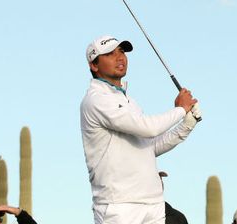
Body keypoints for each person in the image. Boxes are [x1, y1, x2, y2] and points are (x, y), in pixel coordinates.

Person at [81, 35, 202, 224]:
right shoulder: (96, 99)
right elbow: (148, 128)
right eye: (110, 54)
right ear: (94, 65)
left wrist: (187, 124)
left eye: (121, 52)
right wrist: (180, 109)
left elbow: (150, 147)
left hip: (152, 204)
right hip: (118, 206)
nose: (120, 57)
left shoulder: (130, 101)